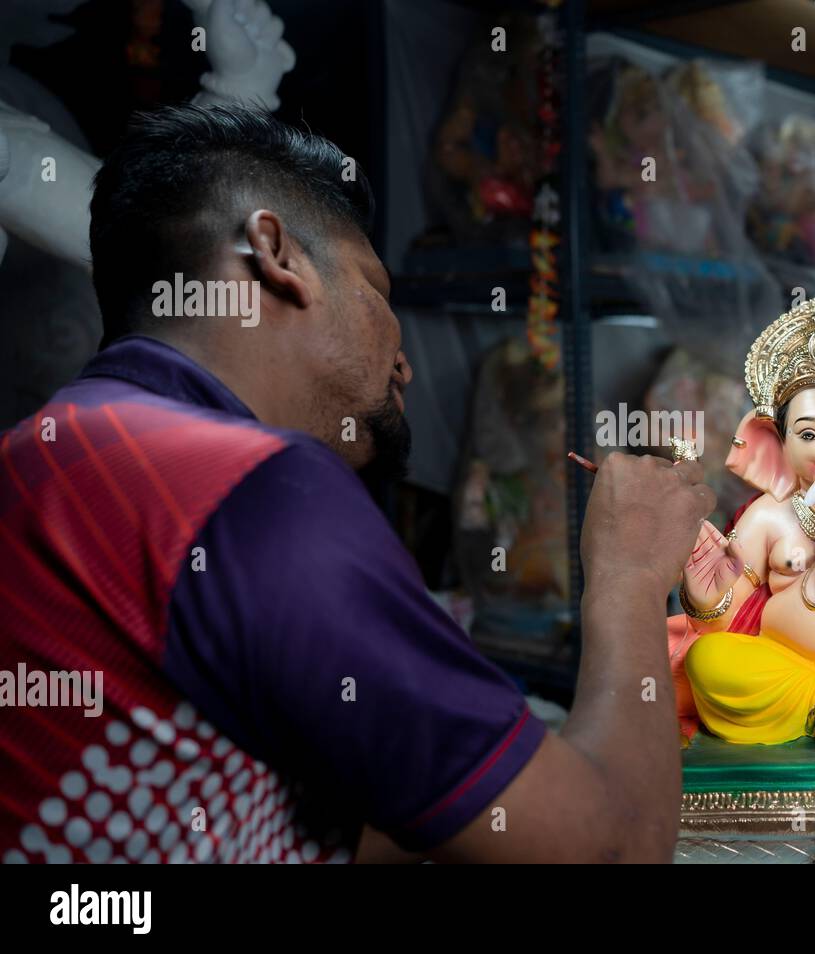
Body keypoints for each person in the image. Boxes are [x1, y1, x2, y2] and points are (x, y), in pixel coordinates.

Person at [0, 104, 715, 864]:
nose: (403, 362)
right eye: (377, 292)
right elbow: (616, 851)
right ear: (277, 255)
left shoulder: (43, 451)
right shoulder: (253, 487)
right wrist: (632, 572)